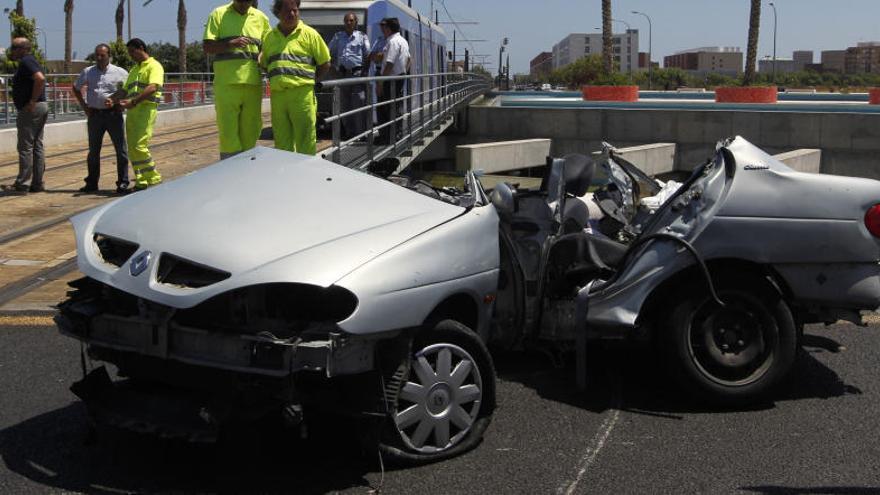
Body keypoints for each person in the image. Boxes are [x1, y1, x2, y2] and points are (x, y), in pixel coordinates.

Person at [203, 0, 271, 159]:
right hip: (226, 84)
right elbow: (207, 47)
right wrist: (230, 44)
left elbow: (268, 47)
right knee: (228, 132)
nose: (243, 4)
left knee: (252, 130)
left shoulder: (261, 18)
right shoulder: (218, 14)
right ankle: (229, 169)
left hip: (253, 83)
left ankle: (247, 168)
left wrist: (263, 57)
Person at [261, 0, 330, 155]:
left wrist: (311, 80)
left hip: (302, 95)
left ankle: (305, 176)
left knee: (305, 140)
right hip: (278, 96)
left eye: (295, 10)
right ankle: (286, 176)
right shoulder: (269, 37)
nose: (292, 14)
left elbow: (325, 63)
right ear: (278, 13)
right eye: (287, 11)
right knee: (281, 142)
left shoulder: (310, 34)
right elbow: (265, 64)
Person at [72, 43, 130, 194]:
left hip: (113, 115)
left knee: (121, 150)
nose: (99, 58)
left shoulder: (119, 72)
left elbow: (128, 89)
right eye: (97, 55)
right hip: (95, 115)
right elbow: (76, 88)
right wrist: (85, 107)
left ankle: (123, 182)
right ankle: (92, 182)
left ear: (109, 56)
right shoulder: (88, 72)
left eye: (102, 55)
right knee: (93, 151)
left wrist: (119, 102)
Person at [111, 38, 164, 190]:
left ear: (141, 48)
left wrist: (133, 102)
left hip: (146, 110)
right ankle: (141, 181)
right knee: (133, 147)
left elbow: (152, 87)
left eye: (132, 51)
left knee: (140, 145)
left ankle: (153, 177)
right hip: (133, 111)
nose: (131, 55)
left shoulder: (154, 66)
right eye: (129, 53)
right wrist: (113, 99)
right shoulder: (135, 69)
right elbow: (125, 90)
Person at [2, 37, 47, 194]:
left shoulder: (27, 61)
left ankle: (23, 183)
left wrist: (32, 101)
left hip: (31, 109)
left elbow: (40, 79)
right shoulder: (30, 60)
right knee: (36, 145)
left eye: (14, 47)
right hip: (39, 107)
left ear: (23, 49)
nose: (11, 50)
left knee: (26, 146)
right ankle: (37, 183)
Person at [327, 12, 370, 140]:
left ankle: (360, 134)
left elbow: (368, 56)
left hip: (357, 74)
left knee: (359, 104)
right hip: (342, 74)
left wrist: (365, 73)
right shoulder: (338, 37)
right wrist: (332, 70)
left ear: (356, 22)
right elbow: (327, 52)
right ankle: (350, 133)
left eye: (351, 20)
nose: (348, 23)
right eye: (346, 21)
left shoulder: (362, 37)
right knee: (345, 106)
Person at [375, 17, 410, 145]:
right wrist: (403, 72)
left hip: (390, 80)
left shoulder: (393, 42)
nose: (382, 29)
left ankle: (387, 137)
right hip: (398, 78)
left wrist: (380, 82)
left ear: (389, 28)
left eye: (384, 27)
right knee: (395, 107)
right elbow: (409, 60)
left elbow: (389, 63)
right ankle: (396, 135)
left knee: (386, 108)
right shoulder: (403, 41)